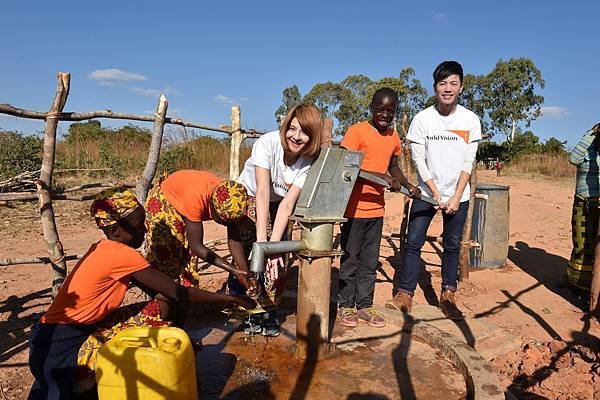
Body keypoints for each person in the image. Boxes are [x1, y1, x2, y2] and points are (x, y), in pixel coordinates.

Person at [28, 188, 253, 400]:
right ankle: (86, 375)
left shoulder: (106, 249)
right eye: (138, 225)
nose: (145, 229)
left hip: (55, 336)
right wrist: (230, 298)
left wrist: (177, 335)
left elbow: (164, 293)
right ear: (116, 231)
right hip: (59, 347)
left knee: (161, 307)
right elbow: (178, 292)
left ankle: (90, 378)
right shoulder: (121, 256)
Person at [386, 61, 481, 320]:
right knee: (414, 242)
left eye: (453, 83)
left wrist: (454, 195)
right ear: (435, 87)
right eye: (442, 83)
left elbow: (467, 162)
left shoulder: (470, 120)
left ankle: (448, 294)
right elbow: (419, 161)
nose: (447, 89)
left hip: (457, 196)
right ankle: (405, 293)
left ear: (461, 87)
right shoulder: (423, 119)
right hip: (426, 194)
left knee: (452, 245)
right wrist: (436, 193)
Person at [227, 104, 324, 336]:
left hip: (279, 203)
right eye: (292, 129)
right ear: (285, 127)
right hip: (250, 195)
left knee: (279, 257)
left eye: (304, 132)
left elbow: (287, 204)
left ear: (312, 136)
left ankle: (269, 310)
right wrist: (263, 243)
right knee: (250, 253)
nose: (296, 137)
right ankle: (245, 307)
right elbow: (261, 191)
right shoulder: (267, 144)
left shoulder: (310, 160)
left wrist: (273, 246)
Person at [337, 87, 420, 329]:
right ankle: (346, 305)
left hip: (376, 210)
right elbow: (346, 167)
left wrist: (406, 184)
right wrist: (381, 177)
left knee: (369, 261)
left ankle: (364, 305)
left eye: (390, 111)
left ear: (395, 112)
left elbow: (393, 167)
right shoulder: (357, 132)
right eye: (380, 109)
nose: (384, 114)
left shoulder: (393, 136)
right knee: (351, 258)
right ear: (371, 108)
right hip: (354, 209)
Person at [144, 171, 253, 320]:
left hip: (185, 203)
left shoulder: (230, 201)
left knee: (189, 267)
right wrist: (233, 269)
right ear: (212, 207)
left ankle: (182, 316)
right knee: (168, 263)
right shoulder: (196, 197)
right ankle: (164, 316)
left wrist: (243, 272)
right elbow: (197, 247)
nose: (225, 224)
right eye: (222, 220)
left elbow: (234, 238)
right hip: (165, 203)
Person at [567, 122, 600, 294]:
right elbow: (573, 159)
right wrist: (591, 133)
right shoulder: (587, 149)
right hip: (583, 201)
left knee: (596, 247)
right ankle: (576, 284)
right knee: (581, 245)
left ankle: (592, 288)